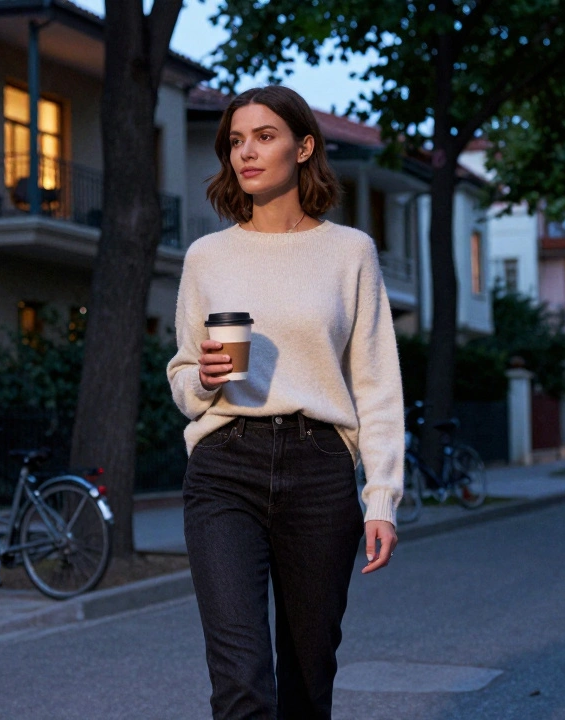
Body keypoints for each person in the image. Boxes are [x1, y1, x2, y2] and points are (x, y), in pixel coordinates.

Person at [165, 85, 404, 719]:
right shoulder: (207, 256)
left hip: (319, 468)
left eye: (264, 137)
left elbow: (377, 382)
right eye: (235, 141)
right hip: (224, 467)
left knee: (308, 680)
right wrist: (206, 379)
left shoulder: (350, 253)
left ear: (303, 148)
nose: (246, 152)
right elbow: (184, 379)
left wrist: (380, 497)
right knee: (241, 679)